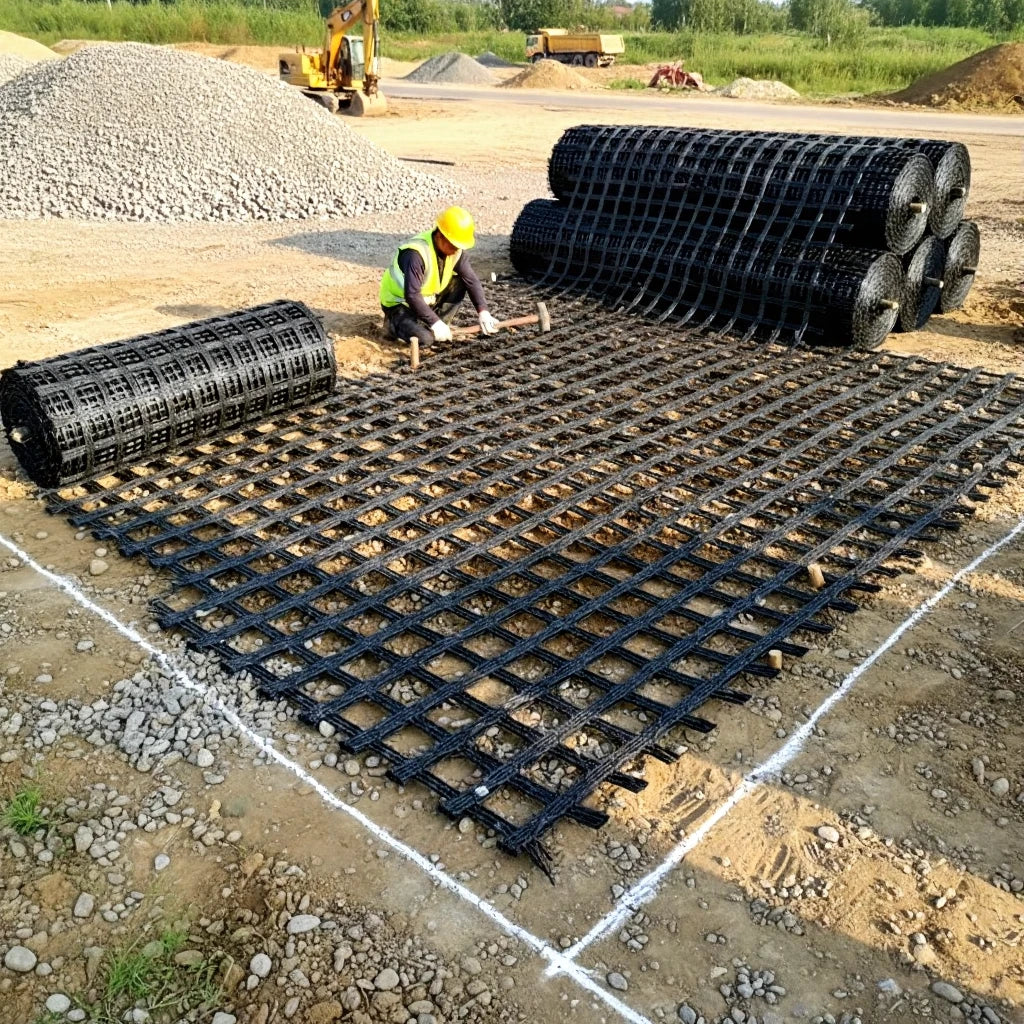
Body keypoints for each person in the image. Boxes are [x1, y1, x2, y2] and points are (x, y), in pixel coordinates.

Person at [379, 206, 499, 346]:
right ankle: (393, 325)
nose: (456, 250)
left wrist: (483, 311)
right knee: (425, 340)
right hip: (399, 305)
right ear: (440, 236)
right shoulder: (416, 253)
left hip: (426, 301)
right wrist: (435, 323)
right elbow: (411, 295)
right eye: (454, 245)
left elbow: (471, 280)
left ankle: (436, 324)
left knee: (460, 281)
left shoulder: (455, 251)